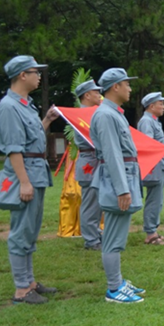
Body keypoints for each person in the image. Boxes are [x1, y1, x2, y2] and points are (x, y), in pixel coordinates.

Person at [0, 55, 60, 304]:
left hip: (36, 172)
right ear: (23, 75)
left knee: (31, 230)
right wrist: (23, 181)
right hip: (27, 174)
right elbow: (14, 149)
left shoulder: (25, 104)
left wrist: (47, 120)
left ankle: (30, 282)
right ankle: (21, 289)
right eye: (35, 72)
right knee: (21, 231)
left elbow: (31, 138)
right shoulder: (9, 107)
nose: (39, 76)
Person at [89, 68, 146, 304]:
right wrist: (122, 189)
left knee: (118, 235)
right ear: (115, 87)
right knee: (113, 237)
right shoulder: (105, 115)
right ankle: (113, 288)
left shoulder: (113, 113)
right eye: (126, 84)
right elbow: (112, 154)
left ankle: (119, 281)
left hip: (124, 177)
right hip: (116, 181)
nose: (129, 89)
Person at [138, 92, 164, 245]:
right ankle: (150, 234)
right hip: (155, 165)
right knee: (154, 199)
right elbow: (147, 144)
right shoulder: (147, 121)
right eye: (161, 104)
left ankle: (153, 230)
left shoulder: (153, 120)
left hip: (160, 164)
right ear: (151, 106)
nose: (163, 107)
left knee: (157, 199)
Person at [74, 79, 104, 251]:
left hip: (95, 160)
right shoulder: (81, 116)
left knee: (97, 201)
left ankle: (95, 234)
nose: (99, 95)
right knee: (90, 202)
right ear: (87, 95)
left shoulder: (93, 113)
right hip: (90, 161)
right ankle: (91, 239)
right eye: (96, 92)